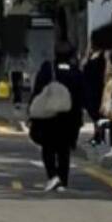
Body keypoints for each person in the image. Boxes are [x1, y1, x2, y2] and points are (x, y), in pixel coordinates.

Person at [29, 40, 85, 192]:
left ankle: (53, 176)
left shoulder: (48, 69)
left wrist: (31, 112)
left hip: (48, 117)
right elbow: (80, 99)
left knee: (48, 148)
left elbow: (37, 92)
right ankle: (63, 181)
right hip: (69, 118)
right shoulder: (76, 73)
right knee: (64, 151)